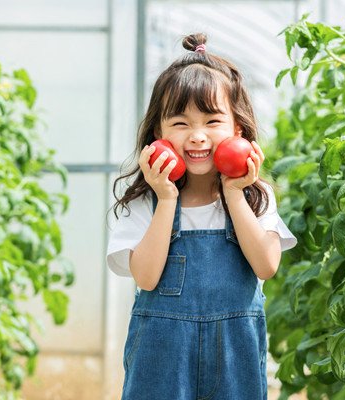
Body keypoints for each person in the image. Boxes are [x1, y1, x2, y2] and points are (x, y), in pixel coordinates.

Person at [106, 33, 298, 400]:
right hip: (162, 359)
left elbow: (266, 265)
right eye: (180, 124)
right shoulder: (145, 200)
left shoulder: (255, 198)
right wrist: (165, 198)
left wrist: (233, 193)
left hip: (234, 358)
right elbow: (146, 278)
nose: (196, 137)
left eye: (212, 122)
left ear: (237, 130)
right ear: (157, 133)